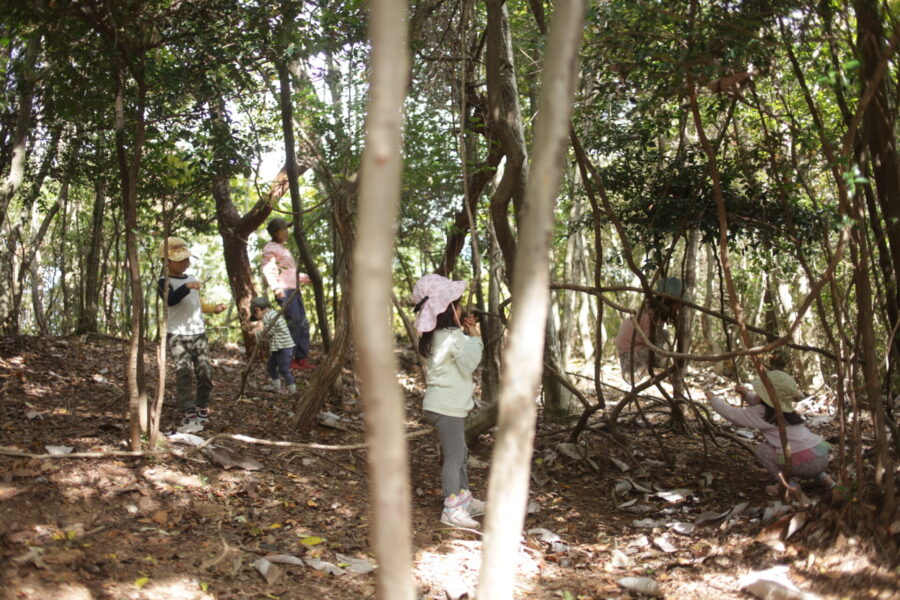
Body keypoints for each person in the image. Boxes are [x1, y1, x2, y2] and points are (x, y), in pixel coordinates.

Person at [412, 274, 485, 528]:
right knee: (455, 457)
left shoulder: (437, 336)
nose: (463, 307)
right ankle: (451, 509)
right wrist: (475, 335)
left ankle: (464, 498)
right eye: (459, 303)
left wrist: (466, 334)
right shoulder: (454, 336)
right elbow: (469, 364)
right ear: (449, 309)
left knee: (460, 453)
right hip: (447, 408)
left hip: (440, 405)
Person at [705, 370, 835, 495]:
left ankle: (789, 485)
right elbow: (763, 404)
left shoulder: (761, 412)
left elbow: (733, 415)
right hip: (821, 456)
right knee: (803, 450)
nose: (756, 395)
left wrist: (713, 400)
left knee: (762, 450)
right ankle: (824, 479)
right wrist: (746, 394)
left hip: (800, 464)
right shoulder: (785, 410)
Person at [157, 237, 226, 428]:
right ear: (167, 261)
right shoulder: (164, 281)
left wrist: (214, 308)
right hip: (177, 334)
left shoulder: (193, 279)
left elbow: (197, 304)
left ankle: (202, 405)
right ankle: (188, 409)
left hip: (198, 333)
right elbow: (170, 300)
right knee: (184, 371)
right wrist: (186, 288)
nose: (185, 263)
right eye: (180, 259)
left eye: (186, 258)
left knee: (205, 371)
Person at [261, 217, 315, 371]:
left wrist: (302, 278)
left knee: (303, 323)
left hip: (294, 289)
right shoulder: (270, 248)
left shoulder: (284, 249)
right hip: (284, 290)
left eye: (286, 228)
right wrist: (276, 288)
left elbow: (289, 271)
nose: (286, 232)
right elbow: (268, 269)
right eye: (282, 229)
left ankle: (301, 358)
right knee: (295, 322)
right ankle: (288, 359)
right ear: (275, 232)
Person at [615, 276, 684, 383]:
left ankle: (653, 369)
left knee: (664, 337)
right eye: (676, 304)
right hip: (630, 358)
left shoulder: (649, 312)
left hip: (633, 355)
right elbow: (651, 340)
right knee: (664, 336)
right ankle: (653, 369)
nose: (678, 308)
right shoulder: (651, 315)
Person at [250, 296, 297, 395]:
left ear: (257, 310)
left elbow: (269, 332)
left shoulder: (269, 316)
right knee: (271, 366)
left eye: (255, 315)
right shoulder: (271, 315)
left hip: (284, 347)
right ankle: (277, 388)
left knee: (284, 369)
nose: (257, 319)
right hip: (277, 347)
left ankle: (293, 391)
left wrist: (256, 333)